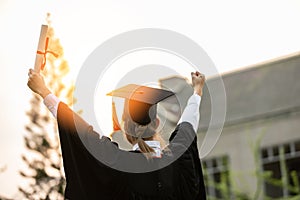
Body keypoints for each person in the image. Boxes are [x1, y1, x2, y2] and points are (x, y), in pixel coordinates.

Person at [27, 69, 207, 200]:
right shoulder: (177, 159)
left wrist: (44, 91)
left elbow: (80, 131)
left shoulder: (118, 162)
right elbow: (187, 125)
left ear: (126, 128)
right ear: (157, 123)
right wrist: (197, 91)